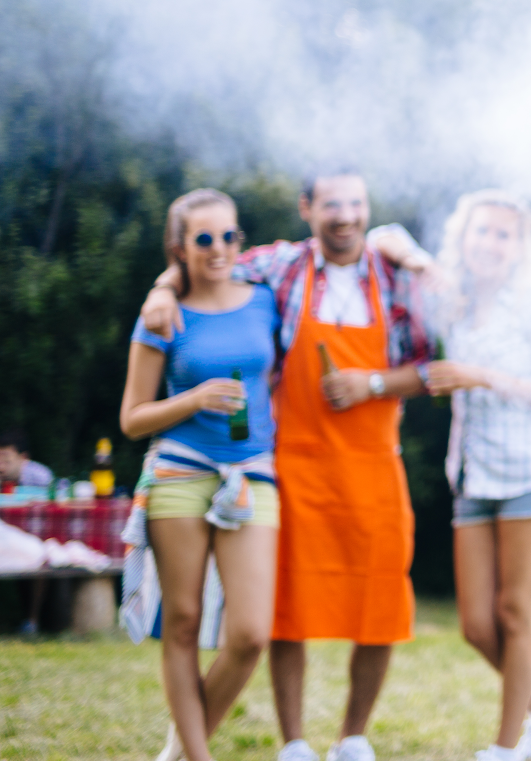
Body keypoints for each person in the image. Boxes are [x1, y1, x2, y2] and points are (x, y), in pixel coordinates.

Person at [140, 169, 431, 761]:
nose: (344, 215)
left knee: (379, 603)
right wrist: (163, 288)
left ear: (368, 208)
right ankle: (293, 741)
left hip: (375, 465)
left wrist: (372, 383)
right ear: (306, 209)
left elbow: (430, 368)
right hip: (290, 463)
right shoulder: (281, 269)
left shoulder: (395, 275)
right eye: (331, 204)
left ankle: (352, 738)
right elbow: (208, 260)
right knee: (287, 609)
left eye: (355, 203)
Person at [417, 190, 531, 760]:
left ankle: (506, 747)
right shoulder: (454, 301)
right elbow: (385, 235)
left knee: (515, 611)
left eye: (504, 235)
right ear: (463, 239)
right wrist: (421, 264)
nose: (491, 243)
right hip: (474, 476)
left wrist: (482, 376)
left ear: (519, 248)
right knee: (475, 626)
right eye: (481, 231)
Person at [121, 189, 281, 761]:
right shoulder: (163, 315)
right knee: (184, 624)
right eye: (204, 239)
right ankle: (196, 755)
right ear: (180, 248)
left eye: (228, 237)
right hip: (179, 475)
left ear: (241, 240)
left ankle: (178, 752)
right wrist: (193, 399)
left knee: (250, 634)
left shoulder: (266, 302)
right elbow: (133, 418)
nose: (218, 250)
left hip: (251, 476)